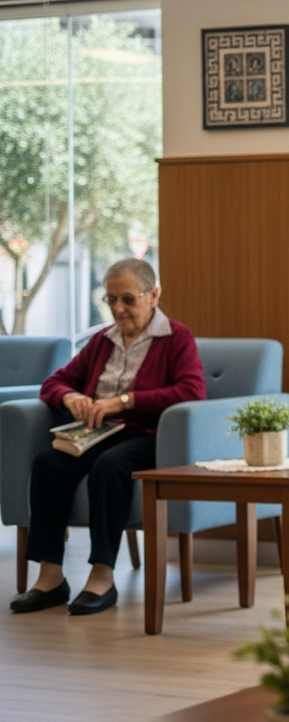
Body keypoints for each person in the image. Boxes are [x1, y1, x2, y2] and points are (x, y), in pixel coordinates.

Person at [13, 259, 206, 616]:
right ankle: (51, 577)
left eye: (128, 300)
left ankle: (102, 576)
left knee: (110, 466)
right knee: (48, 463)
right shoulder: (102, 340)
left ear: (154, 295)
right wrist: (70, 397)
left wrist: (126, 400)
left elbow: (191, 392)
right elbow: (54, 382)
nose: (119, 309)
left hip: (147, 435)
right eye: (111, 299)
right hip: (97, 433)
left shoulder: (176, 338)